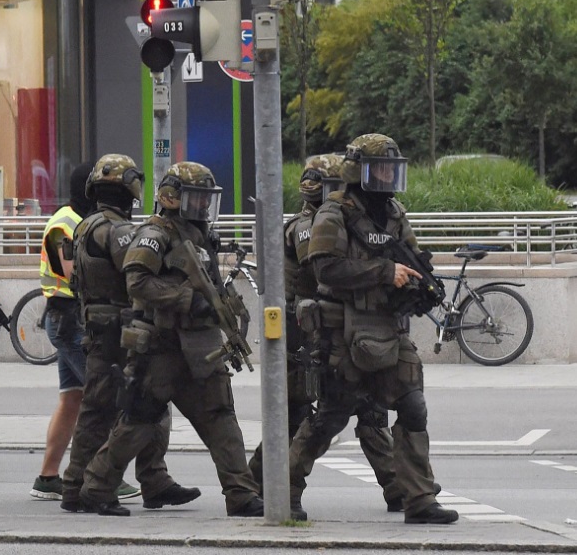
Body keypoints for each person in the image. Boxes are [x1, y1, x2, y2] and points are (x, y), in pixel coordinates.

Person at [287, 134, 458, 525]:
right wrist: (384, 272)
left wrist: (421, 287)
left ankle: (418, 499)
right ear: (357, 172)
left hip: (389, 329)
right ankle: (287, 491)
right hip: (343, 331)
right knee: (330, 417)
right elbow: (324, 269)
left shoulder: (394, 212)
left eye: (391, 169)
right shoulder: (334, 213)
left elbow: (412, 261)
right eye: (380, 168)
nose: (387, 176)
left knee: (413, 406)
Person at [80, 162, 262, 518]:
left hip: (202, 346)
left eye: (206, 200)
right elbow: (137, 281)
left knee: (222, 419)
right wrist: (186, 299)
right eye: (196, 199)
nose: (203, 207)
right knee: (138, 421)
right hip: (163, 348)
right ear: (171, 198)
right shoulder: (156, 233)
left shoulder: (200, 235)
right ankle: (96, 489)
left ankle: (241, 495)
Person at [256, 154, 401, 520]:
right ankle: (261, 483)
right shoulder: (310, 226)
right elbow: (327, 270)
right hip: (310, 328)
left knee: (365, 409)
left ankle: (397, 485)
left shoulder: (335, 219)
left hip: (339, 326)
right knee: (307, 413)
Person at [62, 155, 199, 515]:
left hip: (100, 325)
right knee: (135, 404)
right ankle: (105, 483)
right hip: (119, 328)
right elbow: (139, 271)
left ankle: (133, 481)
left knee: (110, 406)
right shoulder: (119, 230)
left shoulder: (86, 224)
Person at [30, 163, 140, 502]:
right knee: (105, 395)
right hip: (70, 320)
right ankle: (101, 472)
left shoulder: (81, 220)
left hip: (73, 317)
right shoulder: (64, 224)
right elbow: (70, 270)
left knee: (73, 399)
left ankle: (48, 477)